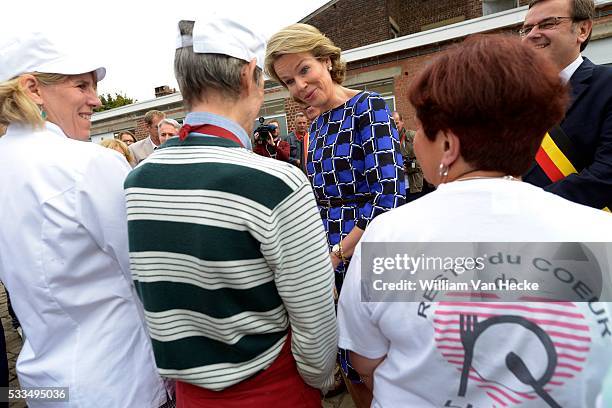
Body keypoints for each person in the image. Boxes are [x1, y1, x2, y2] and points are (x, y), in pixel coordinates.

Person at [337, 34, 612, 408]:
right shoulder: (600, 233)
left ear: (448, 145)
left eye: (421, 127)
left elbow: (364, 361)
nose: (415, 139)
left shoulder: (389, 234)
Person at [124, 16, 337, 407]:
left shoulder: (137, 182)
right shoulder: (275, 182)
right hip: (273, 387)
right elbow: (316, 323)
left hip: (191, 394)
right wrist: (318, 378)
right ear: (249, 75)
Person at [0, 31, 168, 407]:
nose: (95, 99)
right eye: (82, 85)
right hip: (118, 382)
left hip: (43, 384)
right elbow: (149, 272)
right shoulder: (88, 164)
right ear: (32, 88)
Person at [265, 23, 406, 407]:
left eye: (304, 70)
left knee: (377, 359)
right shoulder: (319, 123)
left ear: (327, 60)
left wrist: (338, 254)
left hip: (364, 251)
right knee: (344, 355)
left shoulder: (369, 106)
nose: (299, 86)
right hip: (327, 252)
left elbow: (388, 194)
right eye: (288, 81)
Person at [521, 0, 612, 211]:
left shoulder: (607, 85)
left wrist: (525, 206)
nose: (532, 34)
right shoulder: (514, 98)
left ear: (582, 30)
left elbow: (606, 175)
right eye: (527, 28)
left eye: (547, 24)